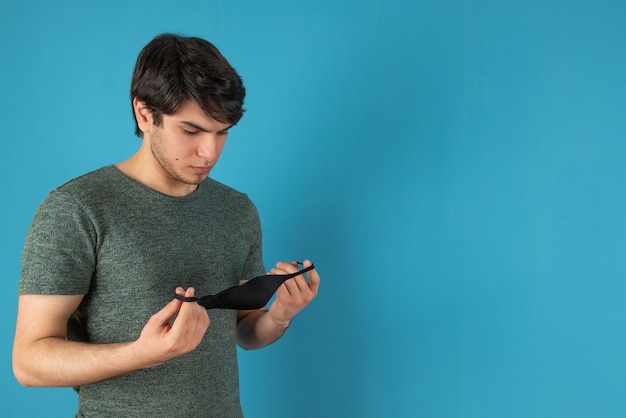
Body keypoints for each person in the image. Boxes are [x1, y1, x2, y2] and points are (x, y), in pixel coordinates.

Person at [12, 33, 320, 417]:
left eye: (221, 132)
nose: (209, 151)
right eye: (191, 131)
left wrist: (279, 316)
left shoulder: (237, 210)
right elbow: (28, 361)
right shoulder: (77, 209)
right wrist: (139, 354)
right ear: (145, 114)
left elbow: (243, 330)